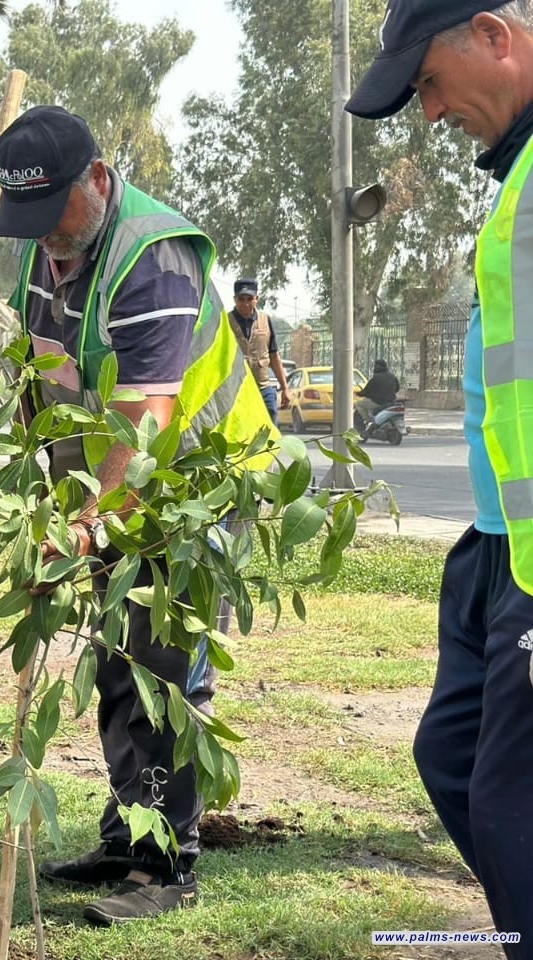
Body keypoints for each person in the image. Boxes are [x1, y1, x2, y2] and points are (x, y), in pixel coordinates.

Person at [0, 105, 276, 925]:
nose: (45, 237)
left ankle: (168, 864)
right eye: (30, 222)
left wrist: (87, 522)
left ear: (100, 179)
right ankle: (128, 832)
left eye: (56, 214)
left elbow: (146, 418)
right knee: (118, 657)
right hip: (119, 485)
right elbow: (48, 378)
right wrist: (49, 500)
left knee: (159, 665)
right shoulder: (41, 257)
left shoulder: (153, 258)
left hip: (197, 482)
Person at [347, 1, 533, 952]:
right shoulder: (519, 177)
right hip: (499, 544)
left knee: (507, 803)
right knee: (453, 756)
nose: (427, 112)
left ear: (495, 36)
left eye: (426, 82)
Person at [228, 278, 291, 419]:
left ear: (256, 299)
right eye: (241, 299)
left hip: (263, 387)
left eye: (249, 299)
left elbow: (274, 357)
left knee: (269, 432)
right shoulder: (226, 322)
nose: (245, 304)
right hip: (236, 391)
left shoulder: (265, 320)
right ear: (235, 300)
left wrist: (285, 388)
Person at [355, 359, 400, 430]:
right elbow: (397, 388)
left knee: (359, 404)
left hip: (377, 402)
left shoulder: (375, 378)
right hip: (391, 402)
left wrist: (359, 393)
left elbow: (367, 390)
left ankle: (368, 421)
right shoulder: (392, 377)